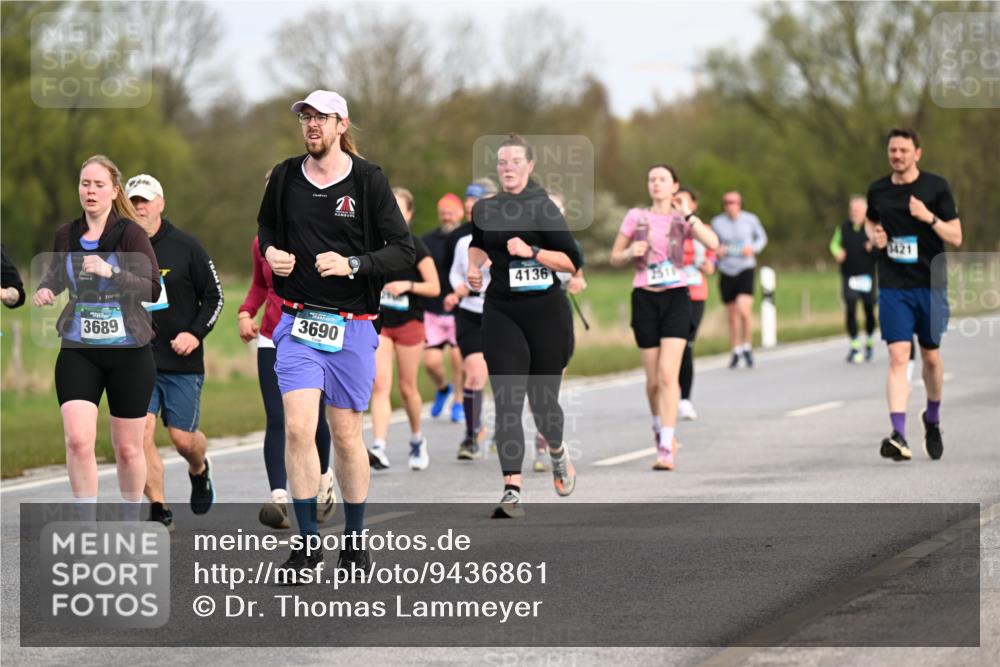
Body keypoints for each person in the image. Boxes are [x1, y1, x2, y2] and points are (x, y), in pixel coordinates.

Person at [258, 90, 414, 574]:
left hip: (353, 326)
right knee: (301, 429)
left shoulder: (369, 182)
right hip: (299, 322)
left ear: (342, 124)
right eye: (305, 117)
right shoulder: (284, 176)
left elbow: (402, 252)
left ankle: (354, 537)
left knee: (346, 434)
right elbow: (265, 229)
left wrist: (354, 264)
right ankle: (306, 546)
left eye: (321, 118)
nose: (311, 126)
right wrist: (270, 254)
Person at [32, 155, 160, 520]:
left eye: (99, 184)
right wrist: (46, 290)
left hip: (129, 352)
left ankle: (129, 520)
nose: (90, 191)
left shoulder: (131, 233)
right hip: (79, 348)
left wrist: (111, 271)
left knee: (128, 450)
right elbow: (58, 275)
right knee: (77, 440)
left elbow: (153, 288)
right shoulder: (66, 234)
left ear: (114, 190)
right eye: (85, 184)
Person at [468, 134, 583, 518]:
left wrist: (532, 251)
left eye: (516, 161)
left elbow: (571, 261)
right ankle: (512, 488)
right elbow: (478, 243)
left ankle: (557, 451)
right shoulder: (486, 208)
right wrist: (473, 266)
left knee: (543, 401)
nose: (508, 168)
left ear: (530, 166)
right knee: (507, 400)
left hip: (545, 312)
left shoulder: (544, 208)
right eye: (502, 162)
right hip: (502, 310)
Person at [124, 174, 223, 530]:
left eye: (145, 201)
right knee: (140, 434)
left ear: (161, 204)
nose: (139, 207)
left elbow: (215, 297)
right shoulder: (120, 248)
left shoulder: (186, 246)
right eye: (133, 201)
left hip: (181, 361)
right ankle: (159, 508)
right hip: (137, 359)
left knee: (183, 440)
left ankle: (199, 469)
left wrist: (195, 334)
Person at [610, 165, 719, 470]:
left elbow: (712, 243)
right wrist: (631, 250)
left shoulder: (682, 219)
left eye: (662, 180)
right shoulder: (636, 217)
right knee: (653, 380)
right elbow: (614, 256)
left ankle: (666, 447)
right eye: (652, 179)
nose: (656, 184)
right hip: (645, 296)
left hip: (676, 297)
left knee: (669, 374)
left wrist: (688, 215)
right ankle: (659, 427)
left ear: (675, 186)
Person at [865, 127, 961, 462]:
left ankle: (932, 419)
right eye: (893, 150)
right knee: (897, 355)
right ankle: (898, 434)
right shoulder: (877, 190)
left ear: (917, 153)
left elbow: (957, 236)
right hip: (893, 284)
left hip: (930, 284)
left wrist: (928, 217)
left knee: (931, 356)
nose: (898, 156)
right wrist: (874, 237)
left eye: (904, 150)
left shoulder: (936, 187)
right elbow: (870, 222)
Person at [239, 221, 335, 530]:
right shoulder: (261, 243)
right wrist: (245, 312)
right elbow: (259, 286)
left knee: (311, 419)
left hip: (311, 336)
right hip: (271, 337)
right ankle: (279, 499)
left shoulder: (320, 233)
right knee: (277, 417)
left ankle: (323, 479)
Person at [367, 187, 440, 471]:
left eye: (400, 209)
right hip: (381, 324)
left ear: (409, 215)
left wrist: (407, 286)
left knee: (408, 388)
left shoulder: (417, 246)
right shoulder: (373, 244)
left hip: (409, 322)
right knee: (380, 384)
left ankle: (416, 439)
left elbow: (434, 287)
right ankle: (379, 447)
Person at [532, 191, 587, 472]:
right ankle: (544, 442)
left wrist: (577, 283)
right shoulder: (527, 241)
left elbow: (578, 276)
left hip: (558, 314)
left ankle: (547, 438)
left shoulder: (570, 244)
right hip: (531, 314)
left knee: (550, 385)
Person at [444, 225, 492, 460]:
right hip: (470, 314)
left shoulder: (511, 240)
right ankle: (471, 434)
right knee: (474, 375)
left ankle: (504, 426)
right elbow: (455, 273)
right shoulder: (464, 243)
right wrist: (458, 288)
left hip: (501, 313)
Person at [422, 193, 466, 423]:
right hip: (432, 310)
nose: (447, 217)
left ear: (460, 213)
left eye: (451, 213)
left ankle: (459, 401)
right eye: (443, 214)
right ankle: (442, 388)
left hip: (460, 310)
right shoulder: (427, 241)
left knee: (460, 359)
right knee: (431, 363)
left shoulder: (466, 239)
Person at [710, 191, 767, 369]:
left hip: (745, 267)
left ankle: (747, 346)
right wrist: (716, 251)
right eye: (726, 203)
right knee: (732, 315)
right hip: (727, 269)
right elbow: (712, 243)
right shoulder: (717, 222)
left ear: (740, 204)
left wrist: (753, 249)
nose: (730, 206)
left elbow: (762, 238)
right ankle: (735, 349)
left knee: (744, 310)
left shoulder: (750, 220)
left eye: (733, 202)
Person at [675, 187, 716, 421]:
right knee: (671, 346)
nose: (678, 205)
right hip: (672, 292)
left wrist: (706, 265)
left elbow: (712, 260)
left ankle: (685, 400)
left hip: (696, 293)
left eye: (683, 201)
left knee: (686, 345)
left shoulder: (704, 230)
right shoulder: (668, 228)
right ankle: (671, 394)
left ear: (693, 205)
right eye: (675, 201)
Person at [831, 195, 878, 364]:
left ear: (865, 211)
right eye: (852, 209)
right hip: (849, 275)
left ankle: (870, 342)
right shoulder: (843, 228)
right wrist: (837, 252)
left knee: (869, 310)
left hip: (867, 276)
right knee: (850, 308)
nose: (854, 212)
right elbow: (834, 244)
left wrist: (872, 247)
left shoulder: (872, 227)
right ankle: (855, 345)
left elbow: (881, 249)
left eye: (858, 209)